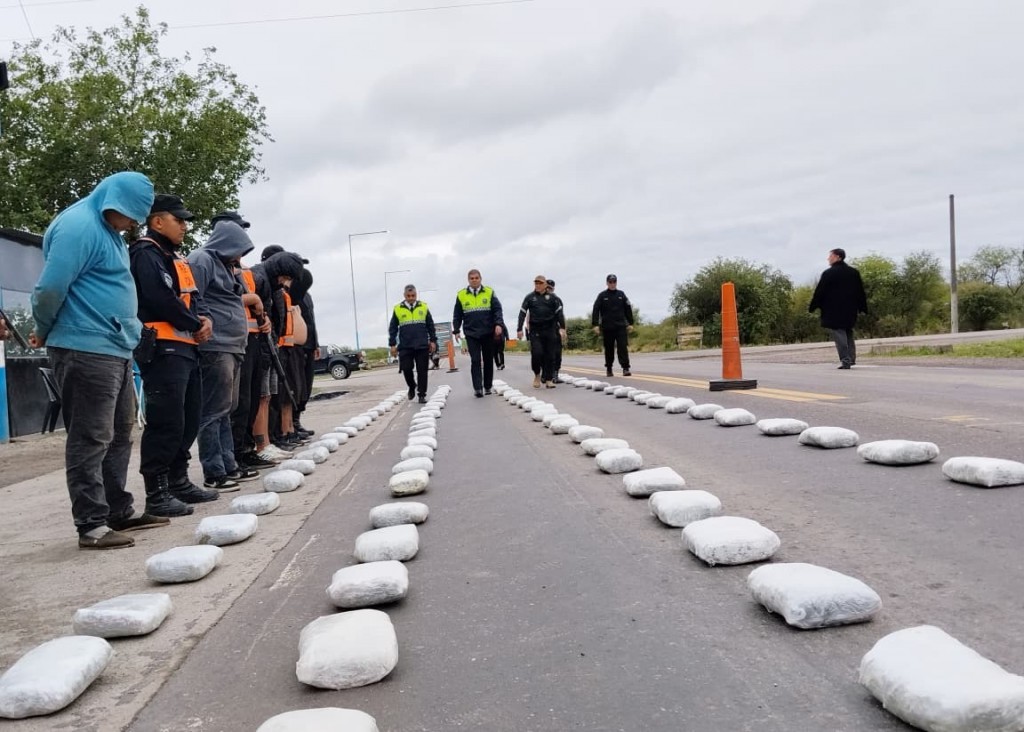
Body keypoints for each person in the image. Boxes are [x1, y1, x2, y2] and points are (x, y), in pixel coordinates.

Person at [30, 172, 160, 550]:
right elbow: (50, 288)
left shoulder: (109, 233)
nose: (132, 224)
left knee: (120, 432)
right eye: (129, 216)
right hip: (84, 346)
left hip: (114, 346)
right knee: (91, 436)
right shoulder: (78, 227)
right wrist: (44, 326)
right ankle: (90, 523)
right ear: (111, 202)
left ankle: (116, 509)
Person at [130, 194, 220, 515]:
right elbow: (159, 298)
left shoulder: (175, 256)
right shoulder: (145, 253)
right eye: (178, 220)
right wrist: (195, 322)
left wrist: (204, 318)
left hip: (186, 348)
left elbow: (192, 296)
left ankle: (178, 480)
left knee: (189, 418)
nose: (184, 225)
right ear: (157, 221)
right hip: (163, 348)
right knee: (165, 422)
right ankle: (157, 494)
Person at [187, 221, 258, 491]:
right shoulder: (202, 259)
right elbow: (196, 298)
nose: (240, 257)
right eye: (238, 250)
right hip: (215, 346)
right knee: (213, 410)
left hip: (234, 345)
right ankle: (214, 470)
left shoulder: (230, 266)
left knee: (227, 408)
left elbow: (235, 296)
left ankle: (229, 463)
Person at [249, 250, 306, 462]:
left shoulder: (272, 285)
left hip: (270, 344)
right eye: (286, 277)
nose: (285, 282)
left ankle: (266, 442)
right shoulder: (259, 278)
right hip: (259, 345)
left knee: (267, 396)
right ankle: (260, 444)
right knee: (261, 397)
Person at [808, 247, 868, 369]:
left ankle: (845, 360)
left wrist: (813, 306)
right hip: (850, 310)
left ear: (837, 257)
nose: (828, 258)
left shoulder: (829, 273)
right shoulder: (853, 272)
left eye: (830, 256)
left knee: (839, 333)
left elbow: (820, 291)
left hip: (833, 311)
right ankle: (851, 358)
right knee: (848, 332)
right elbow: (860, 292)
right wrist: (862, 307)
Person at [452, 268, 504, 397]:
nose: (474, 280)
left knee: (487, 360)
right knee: (475, 360)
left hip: (487, 332)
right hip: (471, 333)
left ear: (480, 279)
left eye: (476, 278)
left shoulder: (489, 292)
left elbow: (497, 310)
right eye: (472, 278)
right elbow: (457, 314)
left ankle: (487, 386)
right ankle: (477, 388)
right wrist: (457, 330)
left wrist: (498, 324)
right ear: (468, 280)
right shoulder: (461, 295)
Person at [389, 284, 438, 403]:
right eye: (408, 296)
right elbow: (393, 328)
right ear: (404, 295)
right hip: (406, 346)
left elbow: (430, 325)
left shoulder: (423, 307)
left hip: (421, 345)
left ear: (416, 295)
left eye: (413, 295)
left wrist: (433, 340)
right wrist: (392, 344)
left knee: (422, 371)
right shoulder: (397, 309)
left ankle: (422, 394)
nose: (411, 298)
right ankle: (411, 386)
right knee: (406, 369)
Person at [517, 275, 566, 388]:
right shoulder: (529, 297)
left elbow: (559, 313)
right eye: (536, 283)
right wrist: (519, 329)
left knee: (550, 355)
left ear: (545, 285)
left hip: (550, 329)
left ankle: (549, 379)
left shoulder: (553, 298)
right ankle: (537, 375)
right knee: (537, 353)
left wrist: (562, 328)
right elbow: (522, 313)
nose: (538, 285)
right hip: (535, 330)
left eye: (540, 283)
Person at [592, 274, 634, 377]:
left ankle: (625, 368)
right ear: (607, 283)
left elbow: (628, 308)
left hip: (620, 326)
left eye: (614, 282)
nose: (612, 284)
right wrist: (595, 324)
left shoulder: (621, 294)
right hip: (607, 327)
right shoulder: (602, 296)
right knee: (609, 349)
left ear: (616, 282)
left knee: (622, 347)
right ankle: (609, 369)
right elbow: (596, 309)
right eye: (610, 282)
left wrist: (630, 323)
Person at [546, 279, 564, 381]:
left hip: (555, 329)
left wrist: (563, 329)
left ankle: (555, 373)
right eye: (547, 287)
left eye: (550, 288)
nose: (549, 290)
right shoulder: (540, 299)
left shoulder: (558, 300)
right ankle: (545, 374)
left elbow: (561, 315)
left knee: (557, 353)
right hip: (543, 330)